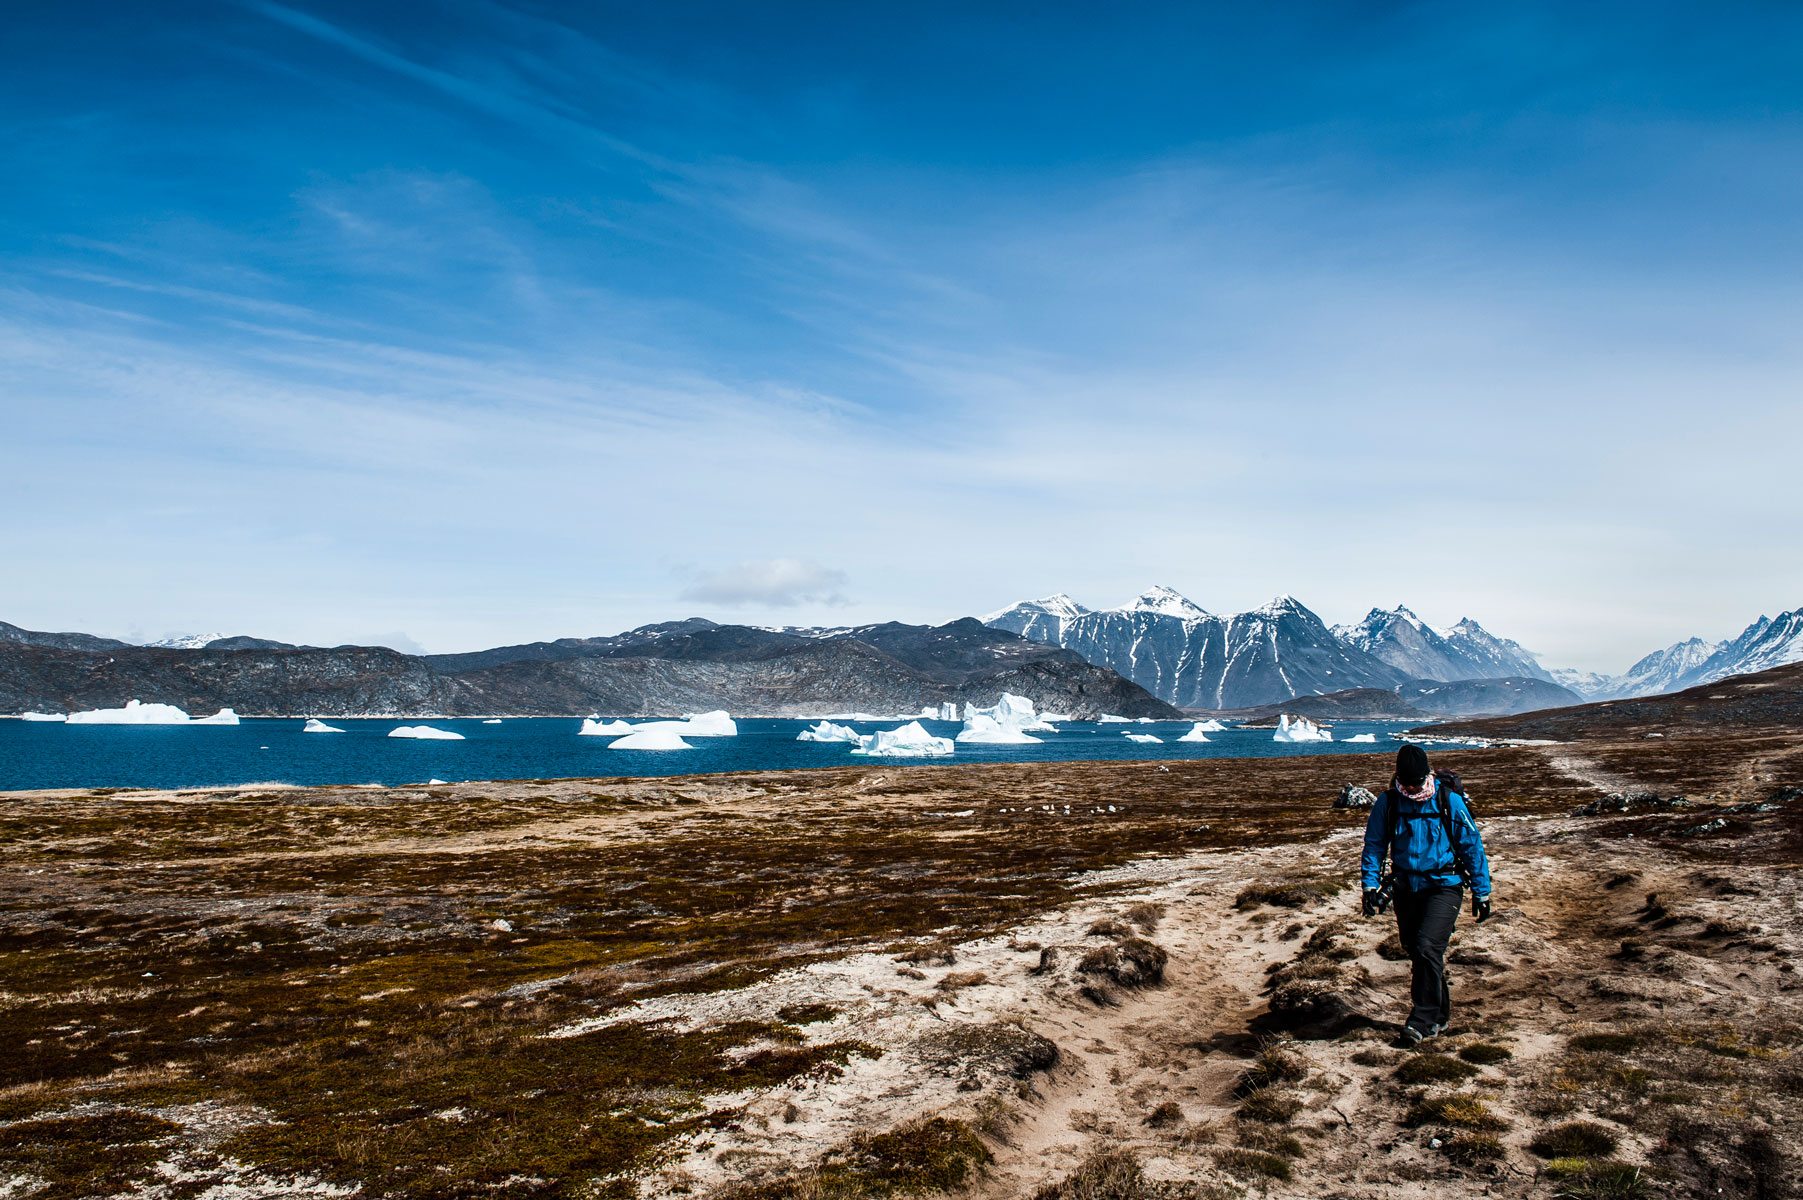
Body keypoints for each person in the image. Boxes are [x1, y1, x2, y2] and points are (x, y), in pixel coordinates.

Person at [1360, 743, 1493, 1046]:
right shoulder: (1389, 803)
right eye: (1405, 783)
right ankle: (1441, 1013)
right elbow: (1375, 845)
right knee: (1417, 949)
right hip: (1405, 887)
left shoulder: (1450, 802)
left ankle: (1422, 1020)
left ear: (1427, 776)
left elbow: (1472, 847)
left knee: (1426, 946)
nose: (1410, 788)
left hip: (1445, 886)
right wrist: (1370, 885)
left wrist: (1482, 893)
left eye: (1416, 783)